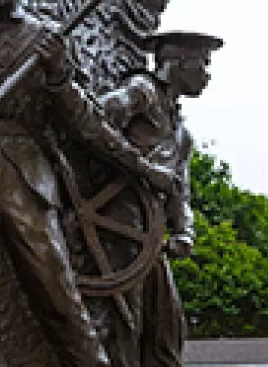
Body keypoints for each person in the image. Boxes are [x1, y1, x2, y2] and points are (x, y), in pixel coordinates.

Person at [0, 0, 177, 364]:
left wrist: (58, 77)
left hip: (28, 178)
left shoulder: (46, 36)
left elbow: (83, 122)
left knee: (58, 290)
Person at [95, 30, 224, 366]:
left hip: (150, 234)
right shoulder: (141, 93)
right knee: (125, 322)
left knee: (167, 328)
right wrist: (142, 167)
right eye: (204, 64)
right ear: (178, 63)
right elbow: (96, 120)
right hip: (118, 224)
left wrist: (184, 232)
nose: (208, 75)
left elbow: (179, 191)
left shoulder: (181, 134)